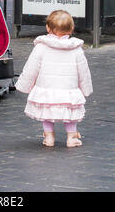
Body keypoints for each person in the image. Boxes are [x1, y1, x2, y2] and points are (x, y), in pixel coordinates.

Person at [15, 10, 93, 148]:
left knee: (47, 110)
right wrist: (86, 89)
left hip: (46, 88)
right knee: (70, 111)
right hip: (69, 89)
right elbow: (84, 71)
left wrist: (24, 85)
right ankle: (71, 137)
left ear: (48, 28)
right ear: (71, 29)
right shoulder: (76, 49)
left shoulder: (41, 47)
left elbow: (31, 68)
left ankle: (49, 135)